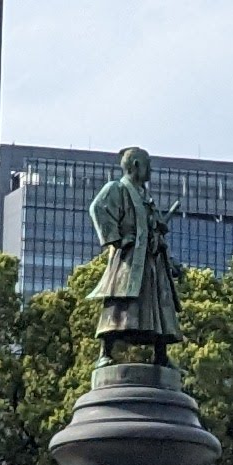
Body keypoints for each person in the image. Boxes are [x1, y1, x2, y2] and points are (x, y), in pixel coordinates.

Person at [89, 145, 178, 355]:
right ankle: (106, 352)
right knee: (119, 305)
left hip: (152, 260)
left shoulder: (146, 197)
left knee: (158, 307)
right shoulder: (117, 188)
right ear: (137, 165)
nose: (150, 171)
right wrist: (117, 239)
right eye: (148, 166)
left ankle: (161, 355)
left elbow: (154, 229)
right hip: (129, 258)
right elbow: (97, 208)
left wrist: (170, 259)